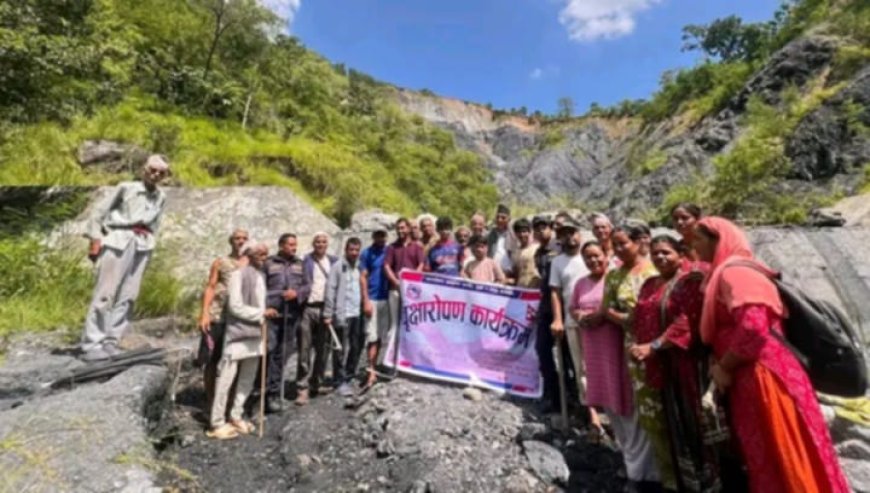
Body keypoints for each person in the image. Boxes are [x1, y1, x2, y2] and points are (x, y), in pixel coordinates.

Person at [694, 217, 849, 493]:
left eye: (698, 238)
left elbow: (754, 327)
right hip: (751, 375)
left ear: (718, 240)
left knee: (783, 450)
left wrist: (724, 367)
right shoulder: (723, 273)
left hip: (764, 377)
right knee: (768, 452)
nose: (692, 245)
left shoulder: (736, 273)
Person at [629, 235, 720, 491]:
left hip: (689, 365)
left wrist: (654, 346)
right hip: (663, 366)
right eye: (656, 253)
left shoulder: (689, 281)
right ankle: (686, 482)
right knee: (675, 423)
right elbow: (640, 319)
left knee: (697, 422)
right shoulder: (650, 284)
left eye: (666, 253)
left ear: (680, 254)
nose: (660, 258)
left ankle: (711, 482)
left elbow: (685, 322)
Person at [80, 155, 170, 361]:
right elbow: (99, 212)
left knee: (129, 295)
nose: (155, 175)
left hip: (143, 242)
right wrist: (95, 239)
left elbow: (155, 222)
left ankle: (112, 339)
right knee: (106, 293)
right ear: (143, 169)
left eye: (161, 173)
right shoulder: (126, 188)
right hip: (119, 238)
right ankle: (93, 342)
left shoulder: (161, 196)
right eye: (152, 170)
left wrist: (150, 241)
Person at [599, 224, 662, 490]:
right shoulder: (614, 276)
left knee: (664, 406)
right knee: (643, 408)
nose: (620, 249)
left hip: (662, 346)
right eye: (616, 245)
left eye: (624, 243)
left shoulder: (656, 270)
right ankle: (645, 473)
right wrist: (628, 320)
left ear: (638, 242)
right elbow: (606, 308)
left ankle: (668, 472)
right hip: (633, 350)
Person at [207, 241, 271, 440]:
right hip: (237, 336)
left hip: (256, 335)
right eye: (260, 253)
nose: (264, 256)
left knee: (247, 379)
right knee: (225, 380)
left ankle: (236, 415)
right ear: (249, 254)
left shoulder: (260, 276)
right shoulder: (236, 275)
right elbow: (234, 306)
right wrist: (261, 313)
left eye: (266, 254)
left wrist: (264, 315)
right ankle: (217, 422)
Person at [570, 241, 632, 445]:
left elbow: (626, 309)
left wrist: (603, 315)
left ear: (606, 255)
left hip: (615, 345)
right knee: (604, 394)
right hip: (592, 346)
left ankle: (634, 457)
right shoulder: (580, 283)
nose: (593, 260)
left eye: (597, 255)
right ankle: (621, 447)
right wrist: (580, 316)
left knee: (622, 393)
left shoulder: (615, 279)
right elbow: (573, 307)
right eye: (588, 257)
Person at [197, 228, 248, 415]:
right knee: (212, 359)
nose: (240, 241)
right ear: (231, 241)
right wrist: (204, 313)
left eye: (243, 238)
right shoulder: (220, 262)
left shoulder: (250, 263)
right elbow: (210, 286)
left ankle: (228, 401)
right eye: (237, 238)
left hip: (239, 319)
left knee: (235, 360)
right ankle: (210, 398)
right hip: (218, 316)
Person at [549, 223, 594, 425]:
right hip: (572, 321)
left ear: (580, 234)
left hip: (599, 321)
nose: (569, 237)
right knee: (581, 368)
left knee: (601, 366)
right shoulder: (557, 262)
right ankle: (592, 415)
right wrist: (557, 319)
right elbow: (555, 292)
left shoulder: (591, 256)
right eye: (564, 234)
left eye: (572, 232)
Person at [263, 233, 309, 413]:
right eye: (290, 245)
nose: (294, 248)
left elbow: (307, 286)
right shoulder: (268, 263)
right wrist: (266, 305)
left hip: (291, 316)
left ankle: (274, 394)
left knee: (282, 355)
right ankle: (260, 393)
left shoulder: (300, 264)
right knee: (268, 352)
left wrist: (297, 294)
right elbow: (260, 287)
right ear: (281, 245)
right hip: (272, 316)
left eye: (295, 245)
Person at [296, 233, 338, 405]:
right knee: (304, 349)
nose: (320, 244)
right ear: (313, 243)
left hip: (326, 309)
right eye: (318, 241)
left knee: (323, 349)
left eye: (323, 242)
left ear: (327, 244)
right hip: (308, 308)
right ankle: (302, 387)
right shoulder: (305, 261)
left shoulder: (334, 261)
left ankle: (317, 382)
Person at [324, 237, 365, 397]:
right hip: (342, 313)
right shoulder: (338, 267)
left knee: (356, 345)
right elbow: (330, 290)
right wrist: (328, 313)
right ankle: (338, 380)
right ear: (346, 250)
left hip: (356, 312)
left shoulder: (359, 267)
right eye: (351, 250)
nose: (354, 253)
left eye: (356, 250)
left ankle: (349, 374)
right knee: (340, 348)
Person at [533, 215, 565, 413]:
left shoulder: (560, 249)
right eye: (537, 229)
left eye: (543, 227)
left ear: (550, 229)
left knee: (568, 357)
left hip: (562, 307)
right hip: (545, 308)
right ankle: (553, 395)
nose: (540, 231)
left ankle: (570, 396)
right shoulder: (538, 253)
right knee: (542, 350)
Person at [383, 218, 425, 365]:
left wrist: (411, 280)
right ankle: (390, 360)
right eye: (398, 228)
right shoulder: (392, 247)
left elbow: (421, 264)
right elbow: (387, 266)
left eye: (403, 228)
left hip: (412, 292)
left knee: (411, 324)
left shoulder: (416, 247)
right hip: (395, 290)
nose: (400, 231)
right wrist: (395, 281)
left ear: (408, 228)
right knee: (394, 324)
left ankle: (409, 359)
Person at [361, 229, 390, 389]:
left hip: (388, 297)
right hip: (373, 297)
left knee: (382, 336)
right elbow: (363, 276)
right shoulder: (367, 253)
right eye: (377, 235)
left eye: (382, 235)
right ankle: (370, 370)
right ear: (373, 237)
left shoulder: (389, 250)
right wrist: (365, 300)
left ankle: (379, 366)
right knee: (372, 336)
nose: (380, 238)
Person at [509, 218, 540, 288]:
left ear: (529, 232)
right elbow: (516, 274)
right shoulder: (515, 253)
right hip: (521, 290)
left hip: (536, 289)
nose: (522, 235)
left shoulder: (537, 249)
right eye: (519, 232)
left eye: (524, 231)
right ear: (515, 234)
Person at [487, 204, 516, 275]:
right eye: (497, 217)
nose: (499, 220)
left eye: (503, 218)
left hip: (509, 273)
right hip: (492, 272)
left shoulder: (514, 235)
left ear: (509, 219)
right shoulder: (489, 235)